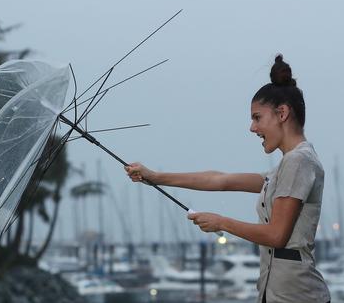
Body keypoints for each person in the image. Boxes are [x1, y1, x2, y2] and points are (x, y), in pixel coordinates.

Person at [125, 54, 330, 303]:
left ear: (282, 113)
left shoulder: (299, 161)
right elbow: (221, 180)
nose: (252, 128)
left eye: (257, 117)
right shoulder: (286, 166)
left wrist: (220, 222)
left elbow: (277, 236)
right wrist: (155, 177)